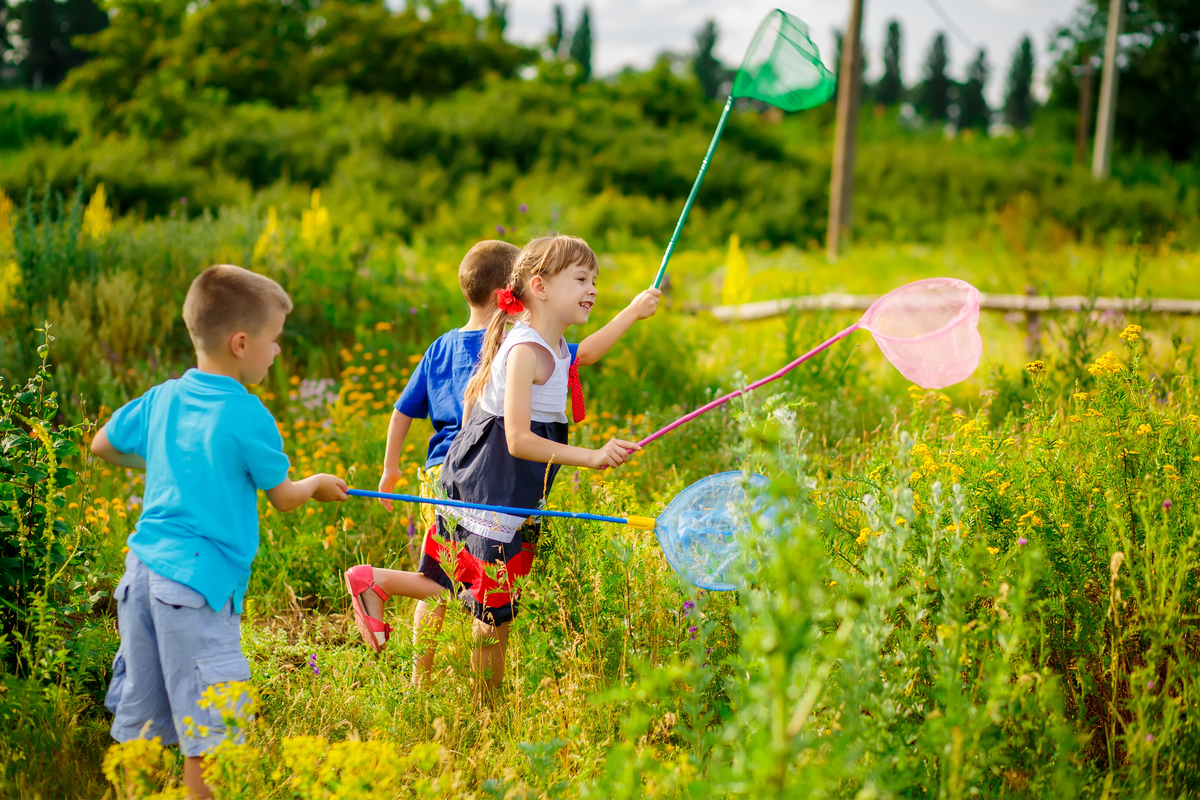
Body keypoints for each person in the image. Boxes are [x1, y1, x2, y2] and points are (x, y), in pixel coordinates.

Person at [347, 235, 660, 695]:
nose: (592, 288)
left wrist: (632, 311)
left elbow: (583, 356)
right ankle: (487, 712)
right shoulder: (524, 350)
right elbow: (516, 439)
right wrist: (590, 457)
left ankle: (375, 584)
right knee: (493, 613)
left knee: (459, 592)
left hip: (491, 484)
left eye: (595, 279)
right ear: (540, 287)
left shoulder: (550, 344)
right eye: (580, 278)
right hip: (491, 487)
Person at [93, 264, 348, 800]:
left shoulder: (162, 398)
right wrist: (318, 483)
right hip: (196, 587)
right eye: (273, 342)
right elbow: (282, 497)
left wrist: (171, 462)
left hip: (139, 577)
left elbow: (102, 445)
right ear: (240, 343)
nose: (276, 353)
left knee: (140, 722)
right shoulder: (247, 413)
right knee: (209, 734)